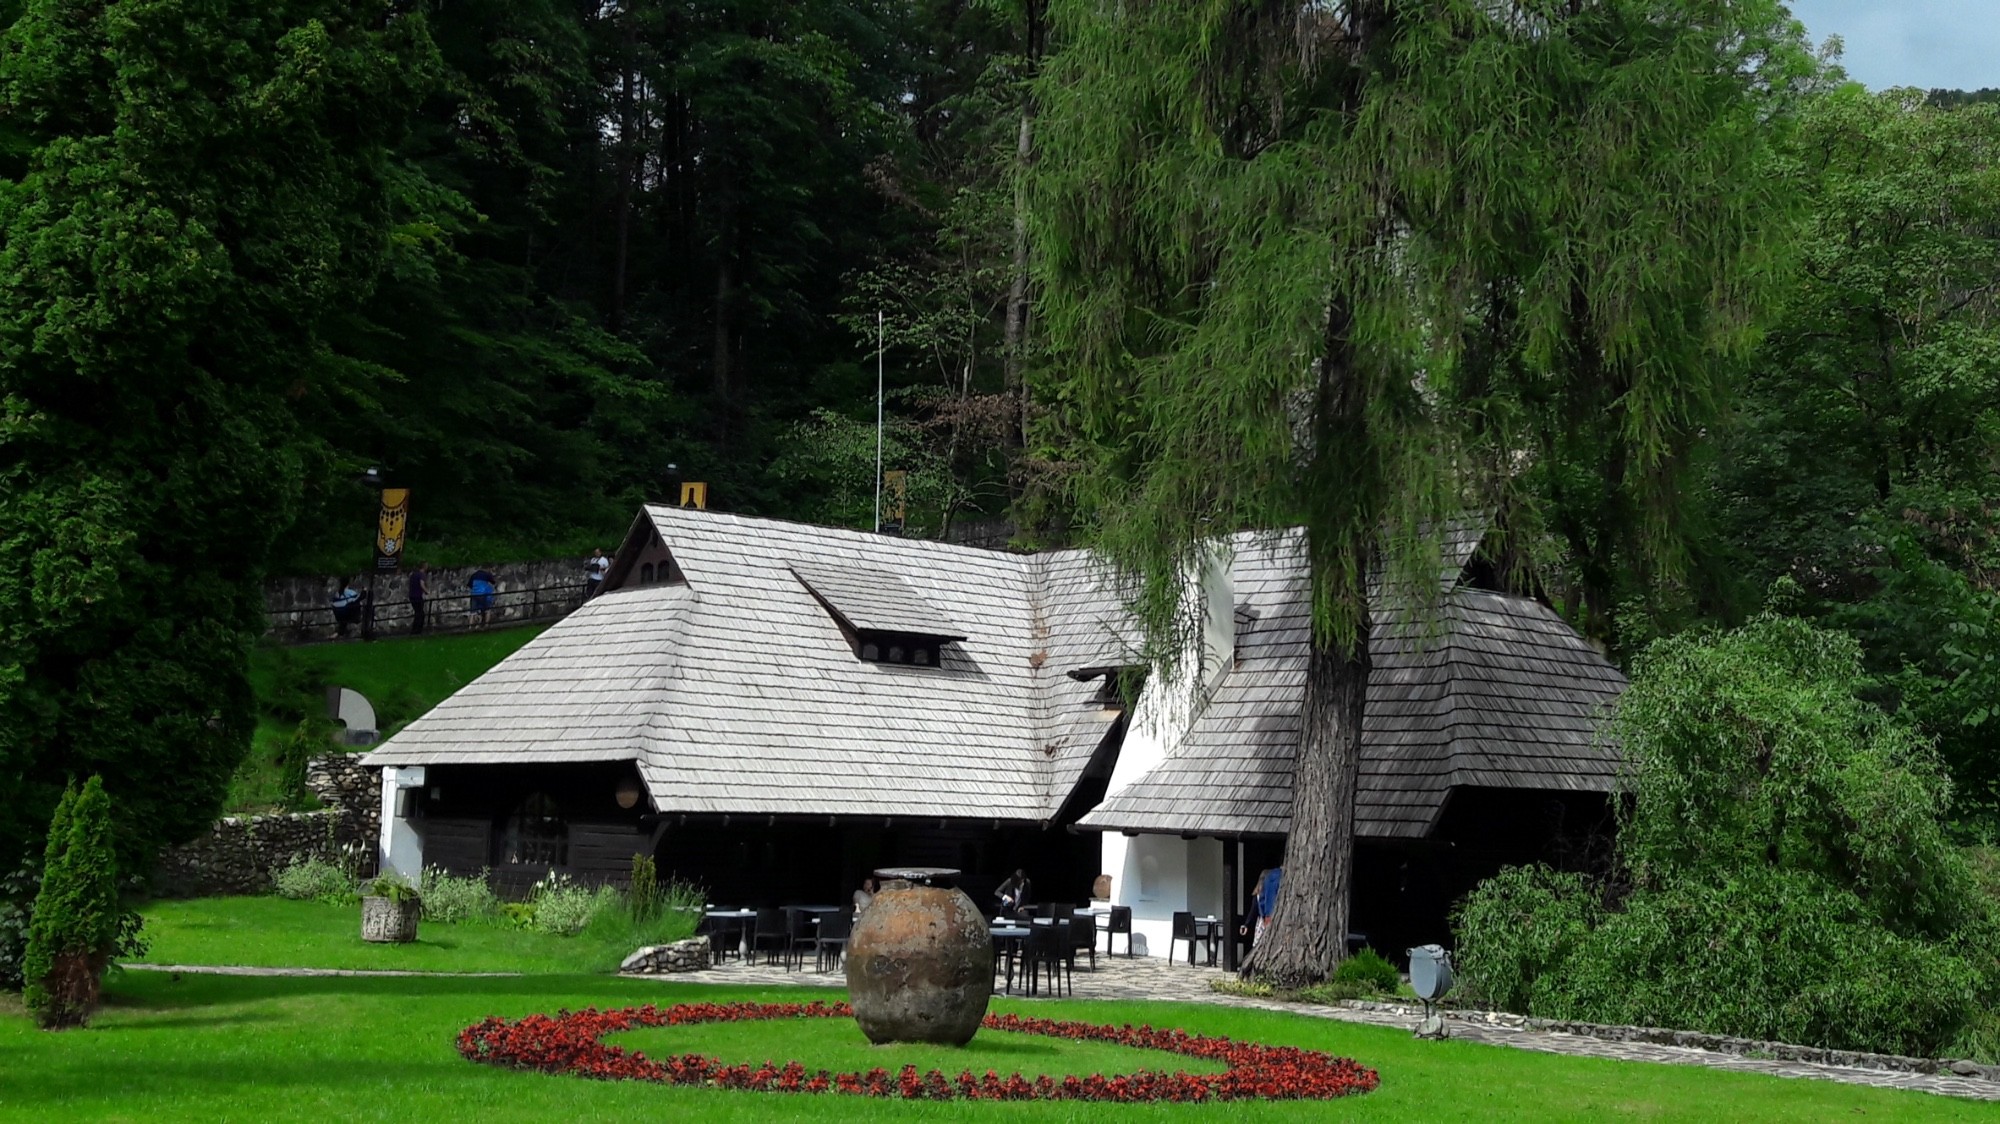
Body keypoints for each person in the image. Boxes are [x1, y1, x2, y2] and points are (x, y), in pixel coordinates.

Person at [407, 563, 430, 635]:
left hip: (412, 595)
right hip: (418, 596)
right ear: (424, 567)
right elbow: (421, 584)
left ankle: (415, 630)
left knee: (418, 613)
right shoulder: (422, 575)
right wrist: (427, 592)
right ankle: (417, 631)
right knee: (420, 614)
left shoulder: (413, 574)